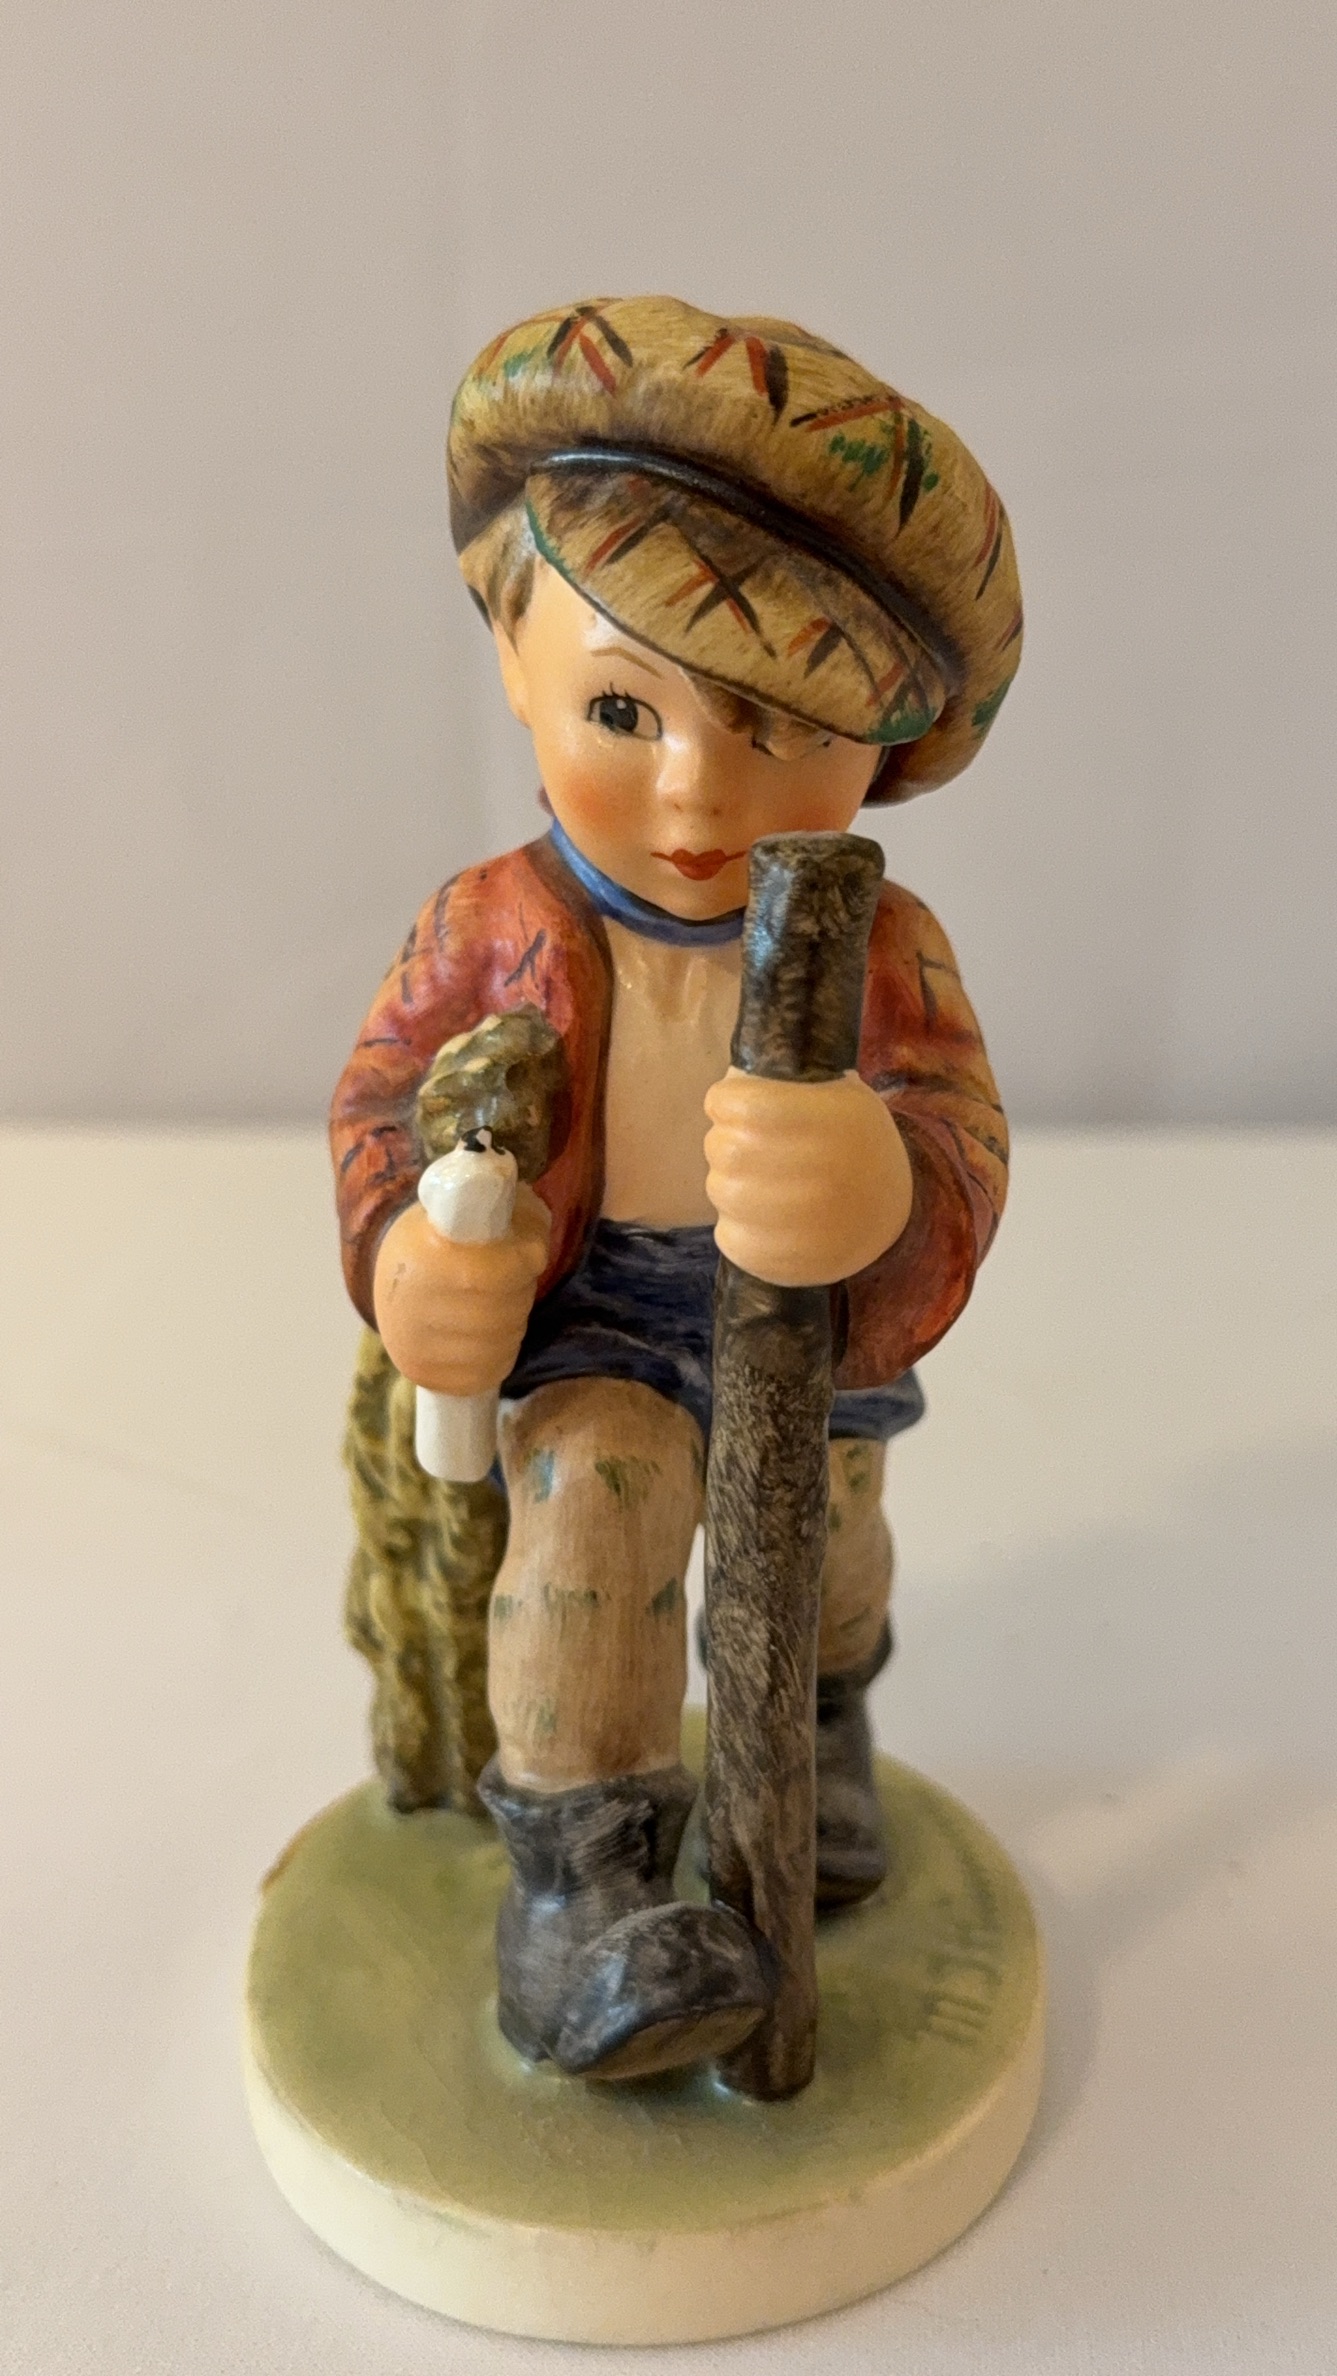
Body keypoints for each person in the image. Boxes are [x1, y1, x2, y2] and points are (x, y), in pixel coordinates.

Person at [330, 296, 1020, 2082]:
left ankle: (816, 1728)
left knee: (833, 1540)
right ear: (511, 651)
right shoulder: (490, 926)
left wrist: (879, 1188)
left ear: (886, 742)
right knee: (592, 1532)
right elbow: (386, 1104)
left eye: (777, 725)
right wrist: (415, 1262)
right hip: (600, 1315)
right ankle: (586, 1887)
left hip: (809, 1329)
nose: (696, 790)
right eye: (622, 708)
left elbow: (956, 1130)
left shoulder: (880, 945)